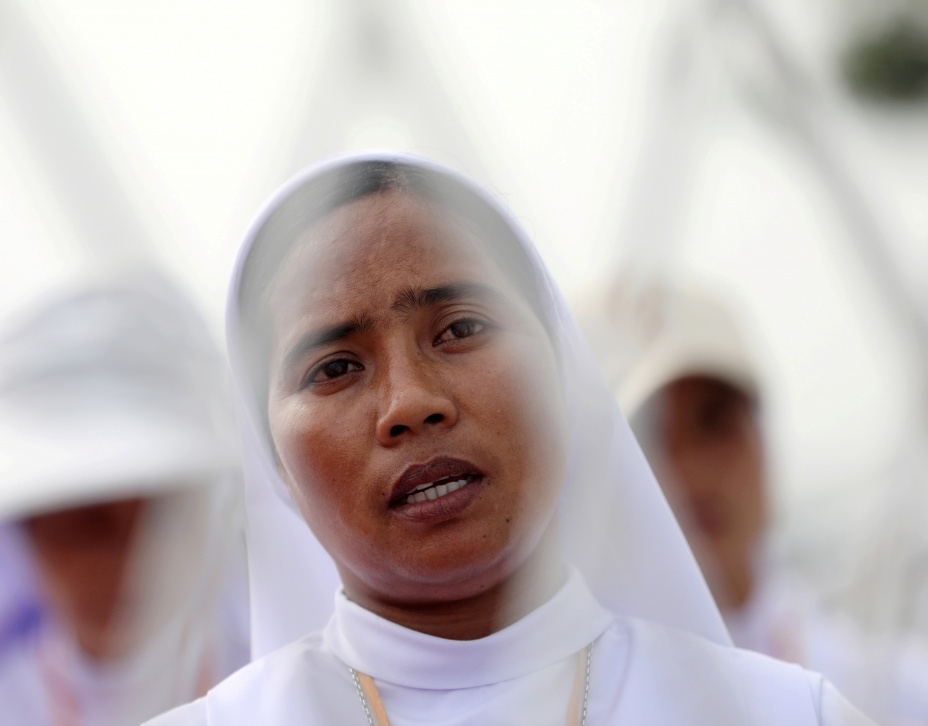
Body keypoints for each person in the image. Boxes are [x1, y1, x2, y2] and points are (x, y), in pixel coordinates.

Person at [147, 153, 873, 725]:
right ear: (272, 459)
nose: (411, 403)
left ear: (564, 376)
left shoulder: (788, 714)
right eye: (334, 368)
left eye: (461, 329)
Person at [0, 270, 249, 725]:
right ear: (20, 532)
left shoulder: (283, 681)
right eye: (84, 520)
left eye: (152, 514)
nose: (124, 555)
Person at [605, 284, 928, 726]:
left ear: (762, 440)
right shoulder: (580, 701)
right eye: (649, 439)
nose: (687, 472)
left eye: (714, 421)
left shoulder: (879, 689)